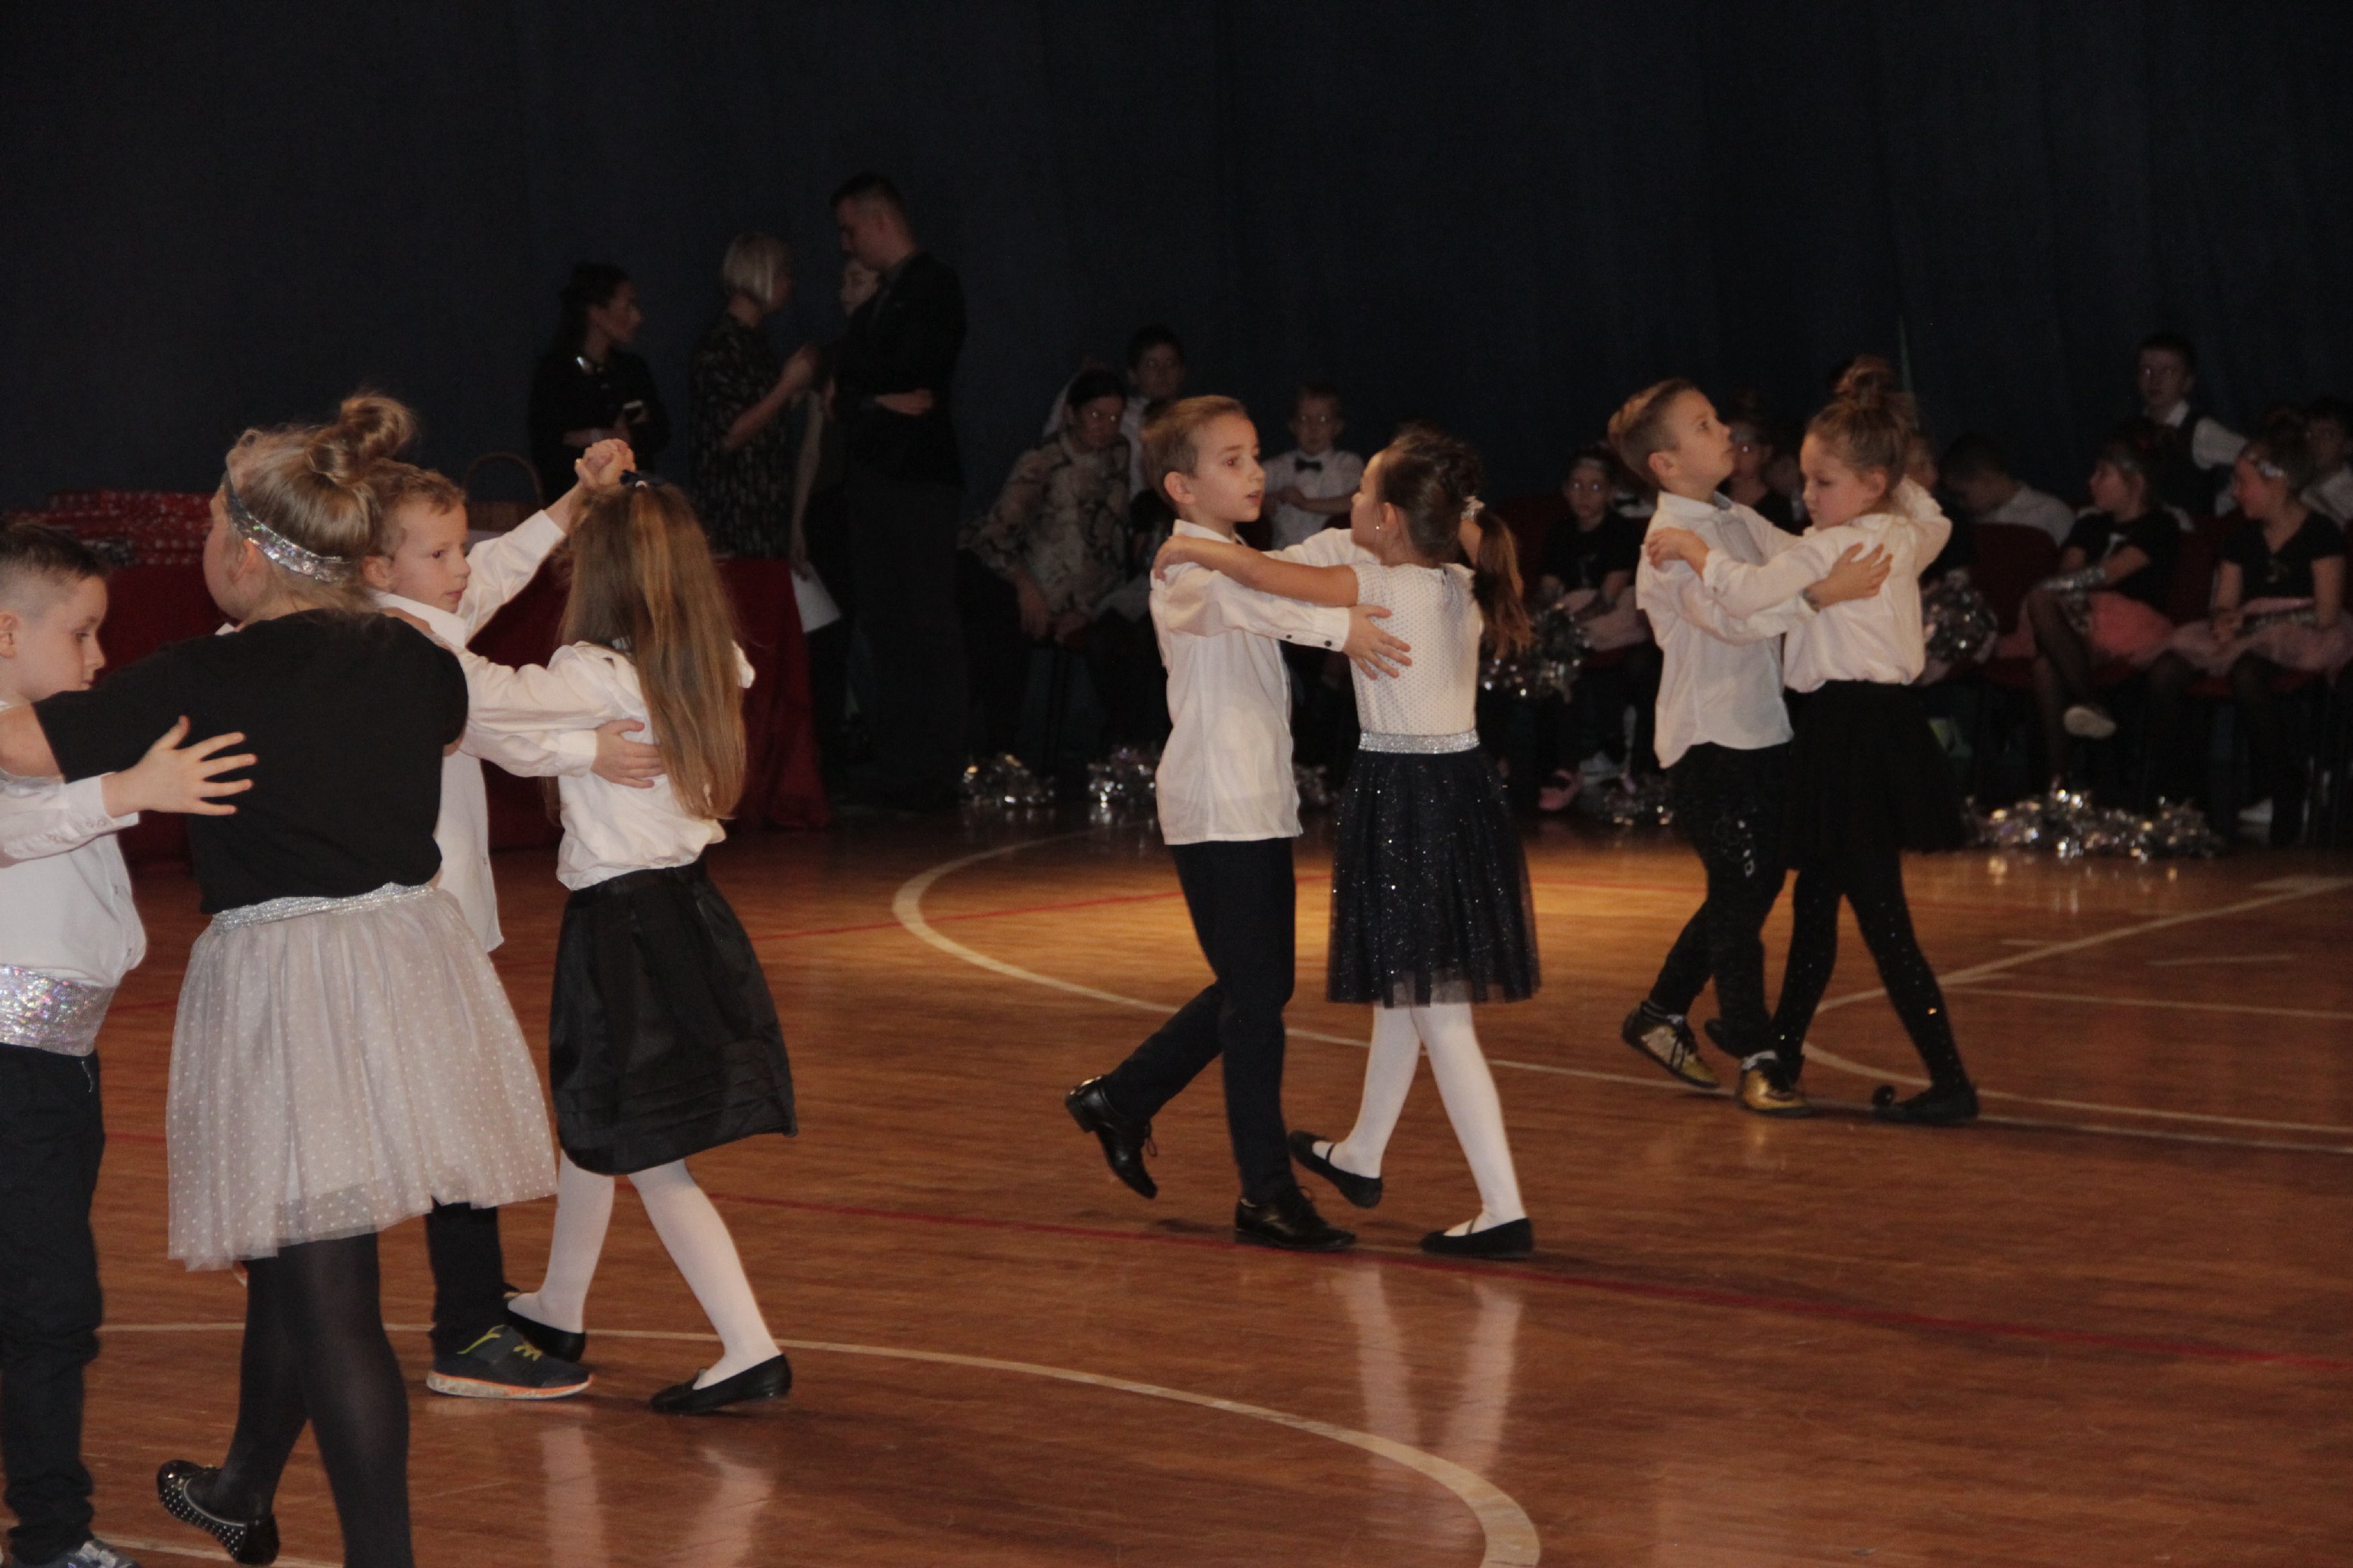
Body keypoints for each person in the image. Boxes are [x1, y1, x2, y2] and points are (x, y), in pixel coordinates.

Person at [0, 395, 559, 1568]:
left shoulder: (207, 676)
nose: (204, 542)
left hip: (292, 987)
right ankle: (242, 1487)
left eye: (212, 524)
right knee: (299, 1260)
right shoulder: (414, 659)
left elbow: (25, 746)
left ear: (249, 556)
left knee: (329, 1290)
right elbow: (440, 727)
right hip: (411, 968)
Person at [1152, 428, 1544, 1259]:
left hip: (1409, 803)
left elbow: (1268, 576)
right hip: (1459, 796)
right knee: (1406, 989)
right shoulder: (1462, 581)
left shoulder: (1378, 583)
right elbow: (1473, 545)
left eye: (1363, 494)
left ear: (1391, 520)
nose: (1351, 505)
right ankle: (1362, 1149)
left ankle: (1503, 1206)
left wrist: (1194, 551)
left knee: (1439, 1014)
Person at [466, 476, 797, 1417]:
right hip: (686, 913)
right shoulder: (709, 660)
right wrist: (584, 752)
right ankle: (559, 1304)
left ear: (598, 573)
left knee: (651, 1151)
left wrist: (415, 619)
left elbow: (472, 702)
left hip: (625, 925)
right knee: (599, 1111)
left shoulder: (591, 675)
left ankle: (748, 1345)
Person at [1061, 396, 1407, 1253]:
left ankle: (1121, 1098)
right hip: (1219, 805)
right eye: (1232, 460)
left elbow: (1298, 563)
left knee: (1254, 989)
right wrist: (1341, 628)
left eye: (1255, 455)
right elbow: (1263, 607)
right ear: (1181, 487)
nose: (1255, 471)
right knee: (1255, 1003)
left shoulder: (1235, 558)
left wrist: (1378, 531)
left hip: (1248, 802)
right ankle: (1265, 1193)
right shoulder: (1185, 573)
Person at [356, 442, 660, 1402]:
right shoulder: (405, 645)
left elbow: (499, 569)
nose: (464, 567)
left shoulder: (416, 616)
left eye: (460, 549)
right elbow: (485, 717)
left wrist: (575, 499)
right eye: (441, 553)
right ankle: (468, 1332)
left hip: (428, 916)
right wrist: (587, 751)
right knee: (459, 1119)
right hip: (416, 919)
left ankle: (452, 1306)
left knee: (431, 1113)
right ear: (378, 567)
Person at [0, 524, 255, 1568]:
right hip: (12, 1067)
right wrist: (121, 793)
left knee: (43, 1305)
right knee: (50, 1307)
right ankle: (53, 1538)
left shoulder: (59, 743)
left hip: (59, 1065)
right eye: (83, 632)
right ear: (6, 631)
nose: (100, 657)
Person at [1646, 358, 1978, 1125]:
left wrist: (1695, 551)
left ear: (1870, 483)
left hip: (1846, 735)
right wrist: (1891, 465)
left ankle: (1949, 1080)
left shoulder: (1827, 549)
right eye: (1805, 479)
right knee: (1818, 904)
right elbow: (1935, 517)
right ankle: (1782, 1052)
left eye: (1823, 482)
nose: (1807, 496)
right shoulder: (1900, 534)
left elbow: (1742, 592)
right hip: (1869, 733)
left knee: (1880, 921)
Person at [1612, 381, 1888, 1116]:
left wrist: (1855, 537)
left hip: (1763, 730)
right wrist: (1822, 595)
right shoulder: (1667, 544)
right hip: (1709, 739)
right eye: (1703, 426)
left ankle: (1659, 1013)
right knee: (1741, 897)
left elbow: (1794, 558)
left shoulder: (1733, 516)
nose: (1724, 432)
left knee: (1751, 887)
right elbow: (1734, 620)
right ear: (1666, 463)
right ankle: (1757, 1053)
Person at [831, 172, 970, 810]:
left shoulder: (933, 285)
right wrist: (876, 398)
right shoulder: (881, 300)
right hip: (876, 479)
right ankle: (901, 762)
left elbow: (919, 372)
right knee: (887, 622)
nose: (847, 244)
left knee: (926, 619)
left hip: (919, 479)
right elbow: (848, 389)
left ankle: (937, 766)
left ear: (878, 220)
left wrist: (866, 394)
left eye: (850, 230)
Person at [2146, 419, 2350, 840]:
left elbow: (2326, 612)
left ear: (2278, 483)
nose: (2235, 492)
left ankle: (2286, 788)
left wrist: (2255, 624)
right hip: (2250, 631)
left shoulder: (2321, 532)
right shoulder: (2241, 538)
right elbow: (2224, 602)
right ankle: (2186, 793)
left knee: (2248, 673)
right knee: (2167, 669)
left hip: (2302, 633)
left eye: (2243, 482)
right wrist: (2224, 621)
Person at [957, 368, 1133, 759]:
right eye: (1096, 415)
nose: (1106, 427)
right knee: (997, 618)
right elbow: (995, 536)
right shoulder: (1042, 462)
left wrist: (1083, 606)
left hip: (1082, 591)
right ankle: (997, 752)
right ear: (1071, 414)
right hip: (1024, 578)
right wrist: (1026, 587)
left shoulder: (1118, 456)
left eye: (1114, 418)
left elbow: (1107, 543)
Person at [2012, 420, 2184, 778]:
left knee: (2043, 610)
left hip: (2130, 627)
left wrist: (2067, 588)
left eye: (2103, 474)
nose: (2091, 482)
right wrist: (2067, 593)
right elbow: (2067, 572)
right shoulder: (2090, 525)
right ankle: (2062, 777)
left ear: (2135, 482)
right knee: (2044, 664)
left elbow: (2111, 573)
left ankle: (2085, 719)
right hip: (2082, 623)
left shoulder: (2160, 526)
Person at [1534, 446, 1652, 812]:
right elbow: (1549, 588)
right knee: (1549, 654)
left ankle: (1592, 756)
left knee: (1566, 649)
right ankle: (1562, 763)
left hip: (1613, 621)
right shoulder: (1561, 532)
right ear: (1565, 490)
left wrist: (1566, 621)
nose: (1585, 495)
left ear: (1612, 492)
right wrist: (1543, 616)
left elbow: (1608, 598)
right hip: (1574, 626)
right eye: (1577, 486)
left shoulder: (1621, 532)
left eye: (1596, 487)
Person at [689, 234, 822, 558]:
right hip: (736, 516)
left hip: (763, 512)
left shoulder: (754, 340)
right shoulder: (722, 345)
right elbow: (729, 435)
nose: (791, 284)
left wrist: (797, 388)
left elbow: (758, 412)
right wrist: (786, 386)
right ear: (762, 275)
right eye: (784, 273)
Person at [529, 263, 671, 504]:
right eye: (628, 306)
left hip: (633, 501)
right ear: (596, 312)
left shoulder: (632, 369)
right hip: (579, 503)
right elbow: (551, 447)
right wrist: (617, 437)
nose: (637, 318)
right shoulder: (556, 373)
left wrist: (595, 436)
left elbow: (659, 432)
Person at [2134, 331, 2243, 514]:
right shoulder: (2136, 427)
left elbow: (2252, 456)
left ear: (2187, 382)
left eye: (2168, 371)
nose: (2155, 380)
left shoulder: (2200, 430)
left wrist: (2222, 505)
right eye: (2147, 370)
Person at [1260, 382, 1365, 551]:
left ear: (1337, 427)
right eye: (1304, 419)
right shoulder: (1276, 468)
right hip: (1285, 557)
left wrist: (1305, 503)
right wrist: (1262, 502)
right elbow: (1240, 492)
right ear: (1292, 425)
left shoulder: (1347, 463)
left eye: (1323, 420)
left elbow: (1355, 501)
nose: (1313, 428)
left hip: (1335, 558)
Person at [1941, 433, 2077, 547]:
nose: (1961, 504)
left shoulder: (2050, 512)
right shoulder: (1975, 524)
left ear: (1986, 479)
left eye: (1963, 495)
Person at [1724, 402, 1801, 535]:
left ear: (1765, 453)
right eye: (1729, 449)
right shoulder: (1714, 499)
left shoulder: (1778, 509)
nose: (1735, 459)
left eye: (1746, 450)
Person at [2302, 395, 2353, 524]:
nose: (2315, 442)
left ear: (2348, 445)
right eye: (2308, 433)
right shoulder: (2291, 481)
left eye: (2327, 435)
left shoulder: (2349, 497)